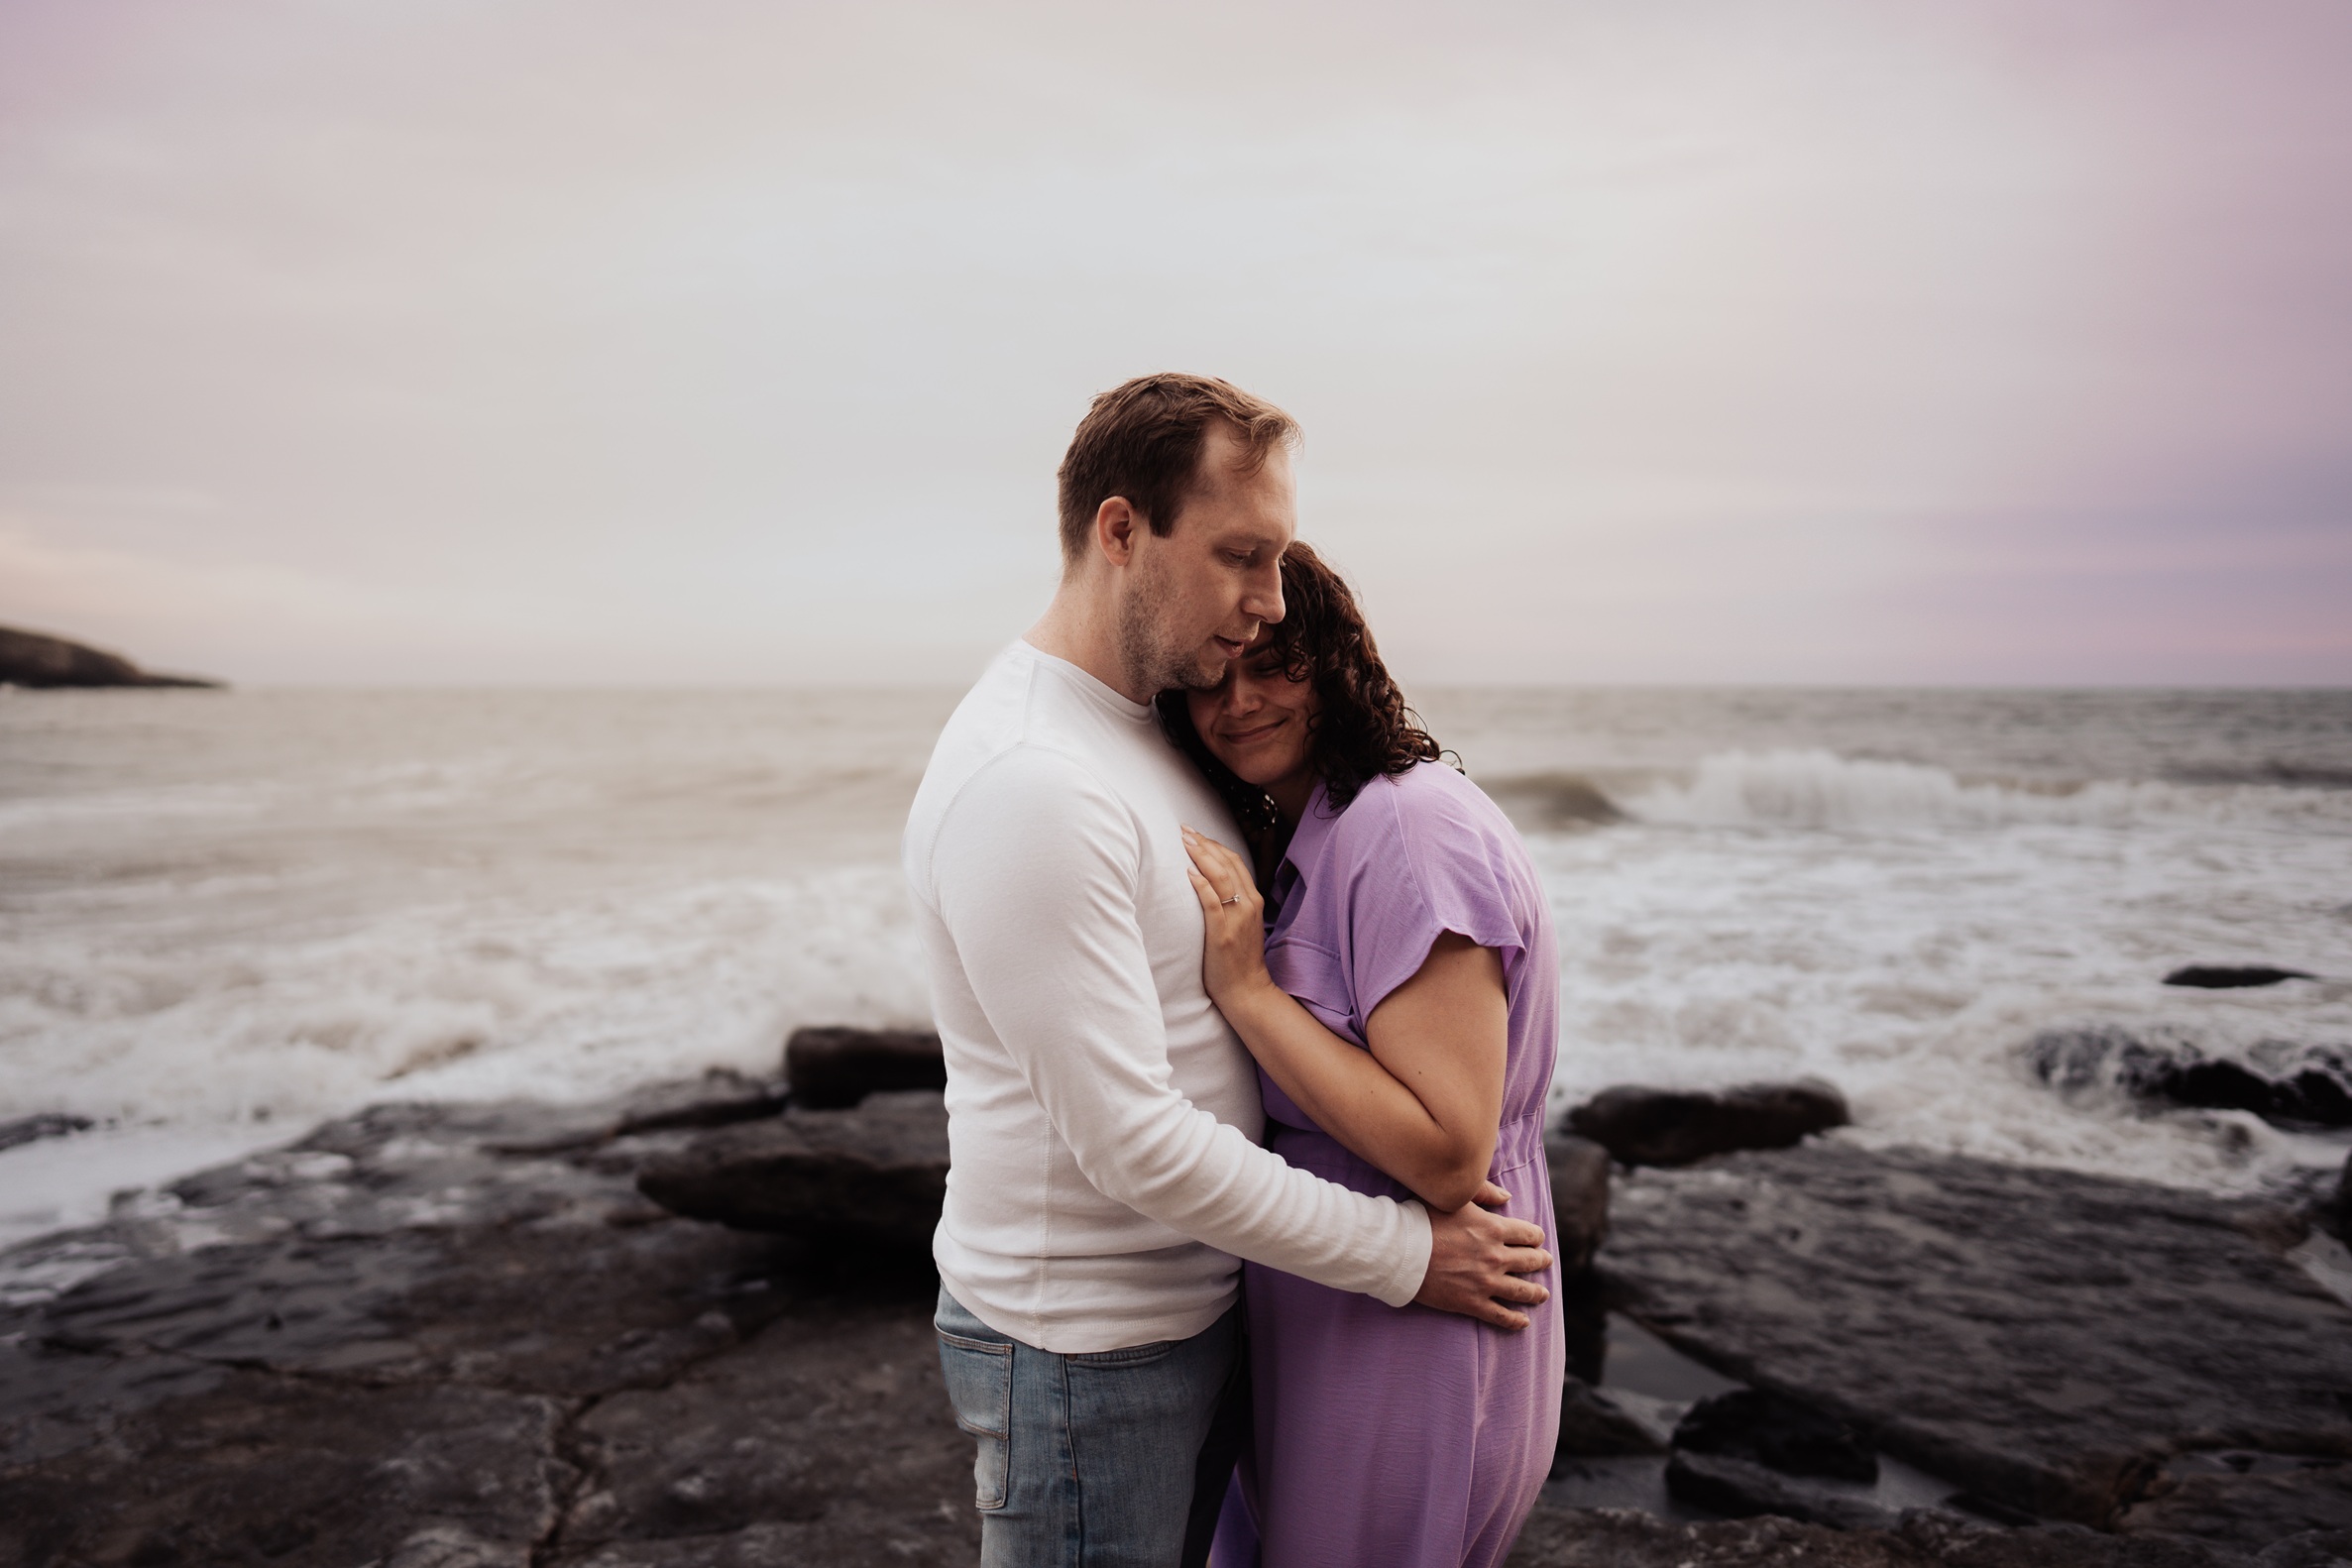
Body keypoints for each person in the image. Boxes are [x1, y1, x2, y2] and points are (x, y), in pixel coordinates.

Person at [904, 374, 1555, 1568]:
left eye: (1280, 560)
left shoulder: (1150, 723)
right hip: (1084, 1357)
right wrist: (1406, 1255)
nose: (1264, 607)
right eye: (1239, 557)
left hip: (1199, 1319)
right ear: (1120, 532)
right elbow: (1132, 1140)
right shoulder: (1030, 780)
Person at [1168, 543, 1565, 1568]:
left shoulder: (1406, 828)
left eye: (1273, 663)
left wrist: (1248, 990)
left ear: (1336, 657)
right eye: (1211, 676)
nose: (1239, 700)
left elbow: (1446, 1149)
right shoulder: (1325, 829)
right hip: (1349, 1314)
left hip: (1415, 1330)